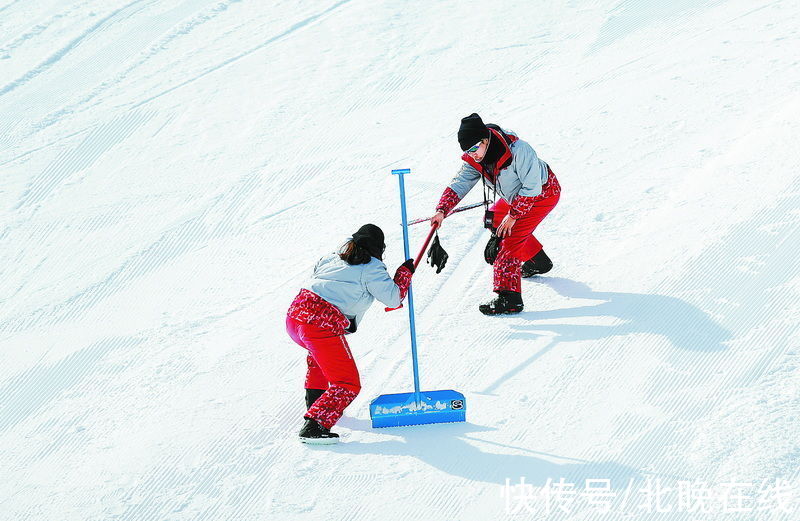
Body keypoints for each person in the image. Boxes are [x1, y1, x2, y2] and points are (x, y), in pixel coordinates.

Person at [286, 224, 414, 444]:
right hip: (320, 325)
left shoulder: (331, 257)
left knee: (319, 362)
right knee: (347, 382)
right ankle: (315, 426)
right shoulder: (372, 267)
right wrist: (404, 274)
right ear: (379, 248)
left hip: (295, 318)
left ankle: (317, 405)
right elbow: (393, 298)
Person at [431, 113, 561, 315]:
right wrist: (442, 210)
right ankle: (537, 260)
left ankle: (509, 299)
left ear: (485, 140)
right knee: (494, 218)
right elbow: (460, 183)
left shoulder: (520, 151)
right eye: (468, 151)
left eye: (474, 148)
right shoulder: (477, 158)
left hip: (542, 194)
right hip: (516, 198)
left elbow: (532, 188)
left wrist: (514, 215)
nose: (472, 154)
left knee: (509, 240)